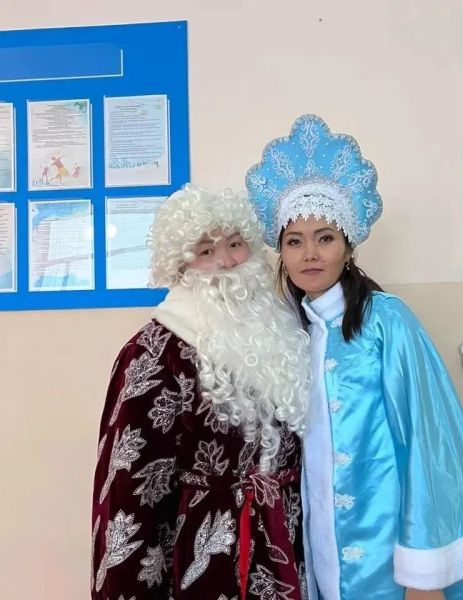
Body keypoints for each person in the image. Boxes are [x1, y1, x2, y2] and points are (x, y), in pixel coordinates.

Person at [246, 114, 463, 600]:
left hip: (387, 551)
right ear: (282, 254)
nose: (310, 254)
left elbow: (429, 441)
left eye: (325, 237)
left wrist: (426, 572)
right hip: (317, 546)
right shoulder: (288, 334)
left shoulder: (385, 321)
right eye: (295, 241)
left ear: (348, 246)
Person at [91, 184, 311, 599]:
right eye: (206, 251)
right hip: (206, 566)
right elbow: (128, 494)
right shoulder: (153, 354)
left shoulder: (283, 333)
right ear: (180, 266)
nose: (227, 261)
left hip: (288, 549)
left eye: (235, 244)